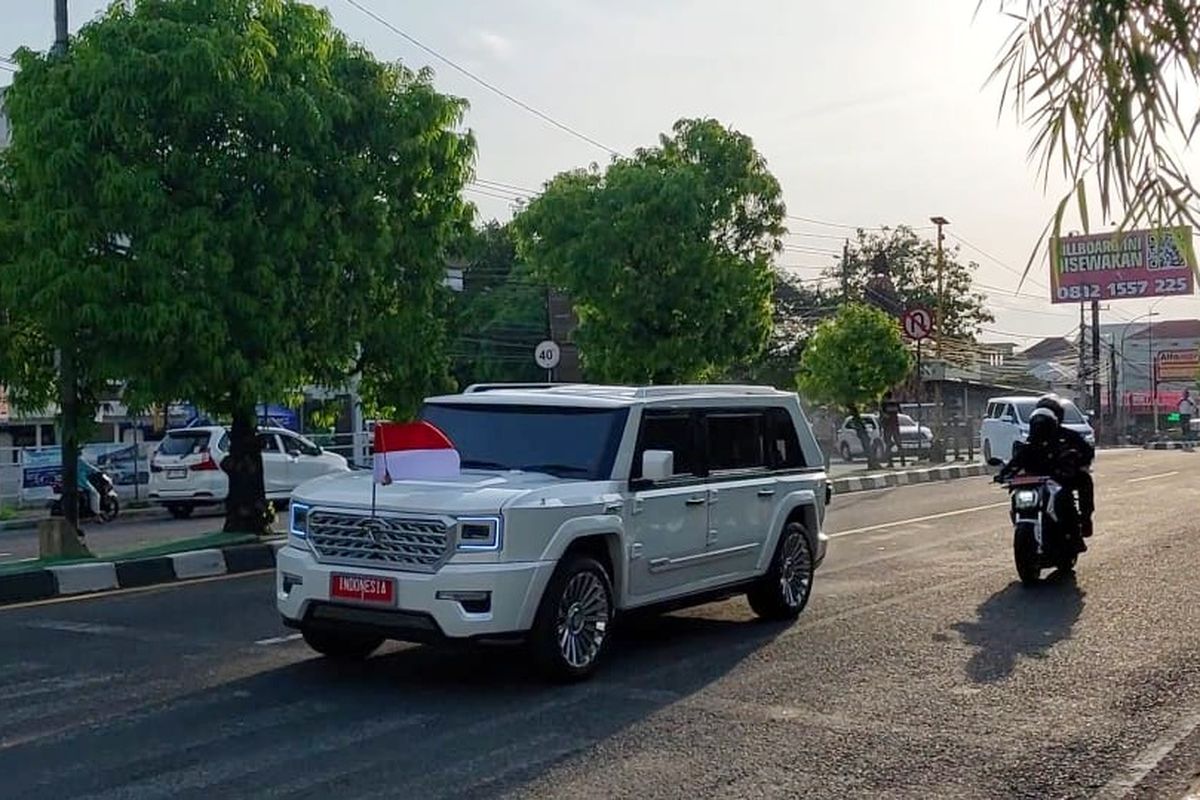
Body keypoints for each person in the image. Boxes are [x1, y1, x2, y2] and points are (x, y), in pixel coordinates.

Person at [998, 407, 1088, 552]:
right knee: (1016, 500)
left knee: (1064, 500)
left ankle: (1075, 537)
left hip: (1054, 483)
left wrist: (1069, 466)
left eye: (1043, 425)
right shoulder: (1027, 447)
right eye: (1037, 425)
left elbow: (1076, 458)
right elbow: (1015, 462)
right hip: (1032, 485)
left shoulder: (1060, 445)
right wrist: (1003, 474)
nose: (1040, 428)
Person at [1034, 394, 1095, 539]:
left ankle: (1085, 519)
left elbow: (1087, 453)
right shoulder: (1033, 439)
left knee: (1085, 480)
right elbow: (1019, 458)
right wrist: (1005, 473)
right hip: (1038, 482)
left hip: (1063, 479)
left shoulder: (1069, 436)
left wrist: (1077, 463)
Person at [879, 391, 902, 465]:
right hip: (895, 425)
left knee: (888, 443)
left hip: (887, 426)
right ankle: (903, 461)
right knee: (899, 444)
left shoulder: (883, 404)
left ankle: (890, 462)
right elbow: (900, 411)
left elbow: (882, 415)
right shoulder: (896, 403)